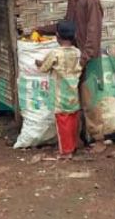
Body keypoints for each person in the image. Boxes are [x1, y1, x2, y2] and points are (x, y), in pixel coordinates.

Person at [34, 0, 104, 150]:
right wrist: (42, 29)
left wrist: (85, 57)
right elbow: (67, 25)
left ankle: (98, 140)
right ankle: (80, 138)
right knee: (74, 100)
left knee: (90, 101)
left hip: (88, 59)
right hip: (76, 57)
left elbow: (94, 31)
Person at [36, 20, 82, 159]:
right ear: (74, 36)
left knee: (63, 122)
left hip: (60, 94)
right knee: (73, 119)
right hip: (73, 92)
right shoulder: (78, 52)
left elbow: (44, 68)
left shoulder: (55, 53)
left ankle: (66, 151)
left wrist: (39, 63)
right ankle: (73, 146)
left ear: (57, 36)